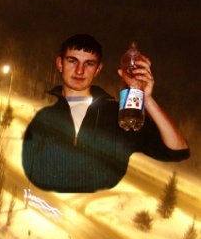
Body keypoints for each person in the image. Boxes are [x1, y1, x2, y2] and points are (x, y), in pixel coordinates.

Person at [22, 34, 189, 193]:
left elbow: (177, 150)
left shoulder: (117, 116)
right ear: (60, 64)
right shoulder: (42, 115)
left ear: (98, 69)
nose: (79, 71)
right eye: (72, 61)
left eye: (89, 64)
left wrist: (148, 100)